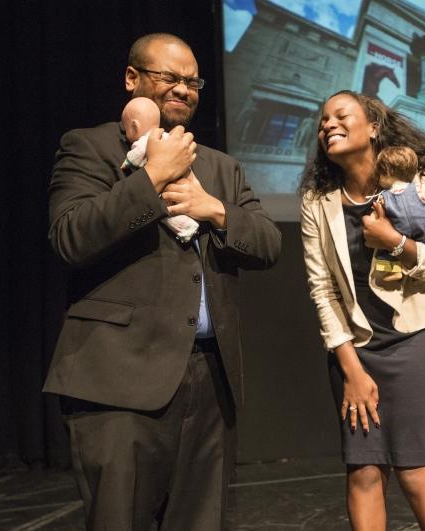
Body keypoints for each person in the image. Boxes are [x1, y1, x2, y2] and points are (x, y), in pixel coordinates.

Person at [44, 33, 281, 530]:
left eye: (191, 81)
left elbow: (266, 243)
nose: (184, 89)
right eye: (168, 78)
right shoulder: (89, 146)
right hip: (120, 383)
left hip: (210, 383)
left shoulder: (220, 166)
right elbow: (71, 237)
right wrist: (150, 179)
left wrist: (213, 209)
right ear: (132, 79)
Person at [299, 90, 425, 530]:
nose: (327, 123)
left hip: (417, 340)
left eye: (341, 115)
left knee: (414, 471)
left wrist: (396, 244)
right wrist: (350, 369)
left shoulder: (420, 187)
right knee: (364, 471)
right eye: (322, 120)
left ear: (372, 127)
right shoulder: (318, 202)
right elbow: (322, 290)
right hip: (355, 350)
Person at [121, 96, 200, 242]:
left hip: (164, 187)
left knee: (166, 210)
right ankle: (189, 227)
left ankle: (186, 230)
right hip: (181, 179)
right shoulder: (167, 137)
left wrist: (127, 163)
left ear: (134, 126)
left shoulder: (145, 141)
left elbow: (135, 157)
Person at [373, 145, 425, 282]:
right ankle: (409, 271)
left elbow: (377, 217)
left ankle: (395, 270)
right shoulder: (421, 189)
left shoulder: (385, 196)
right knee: (419, 253)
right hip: (423, 234)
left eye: (380, 174)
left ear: (388, 172)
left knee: (386, 251)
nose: (378, 178)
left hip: (399, 234)